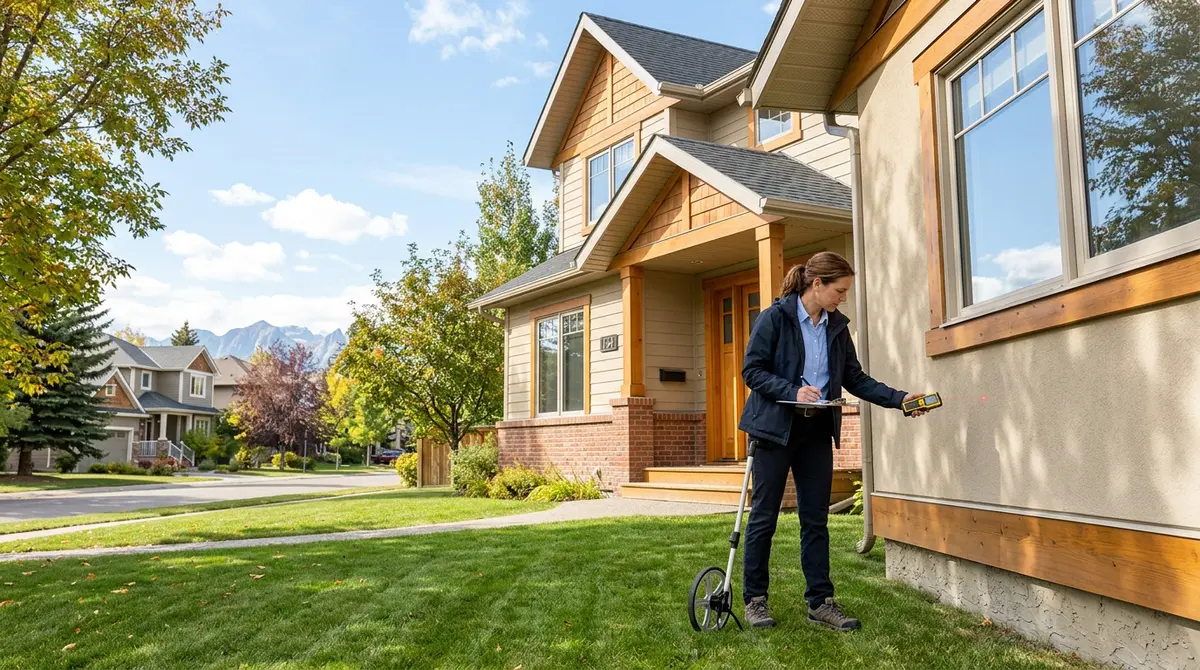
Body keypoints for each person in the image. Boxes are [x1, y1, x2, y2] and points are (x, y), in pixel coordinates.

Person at [738, 251, 928, 631]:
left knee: (815, 519)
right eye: (839, 290)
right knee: (764, 518)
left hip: (816, 432)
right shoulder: (775, 318)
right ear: (816, 284)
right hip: (774, 429)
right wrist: (793, 390)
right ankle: (755, 600)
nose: (844, 297)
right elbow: (752, 371)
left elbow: (854, 379)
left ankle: (820, 602)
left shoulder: (836, 327)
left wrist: (900, 399)